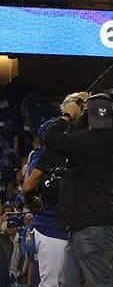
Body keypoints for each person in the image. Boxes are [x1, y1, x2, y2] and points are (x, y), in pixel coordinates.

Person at [41, 92, 113, 287]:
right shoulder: (112, 142)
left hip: (90, 225)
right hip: (90, 223)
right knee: (69, 282)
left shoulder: (88, 142)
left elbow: (50, 137)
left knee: (98, 282)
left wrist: (68, 115)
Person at [21, 120, 68, 287]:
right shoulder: (41, 157)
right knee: (52, 283)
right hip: (51, 228)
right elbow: (29, 188)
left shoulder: (70, 153)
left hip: (69, 229)